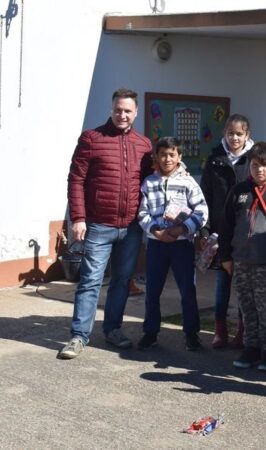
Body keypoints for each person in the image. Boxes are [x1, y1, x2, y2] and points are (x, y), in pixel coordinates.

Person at [59, 87, 153, 360]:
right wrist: (78, 218)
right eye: (117, 110)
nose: (121, 115)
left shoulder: (144, 144)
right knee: (90, 281)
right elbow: (75, 180)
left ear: (136, 113)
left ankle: (113, 329)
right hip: (99, 225)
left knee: (122, 282)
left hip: (132, 227)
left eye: (127, 111)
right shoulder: (91, 138)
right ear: (111, 109)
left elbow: (150, 183)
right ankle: (79, 336)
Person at [219, 142, 266, 371]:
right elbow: (226, 225)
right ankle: (250, 348)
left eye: (264, 165)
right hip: (242, 260)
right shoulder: (239, 191)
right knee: (246, 306)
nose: (259, 170)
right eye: (254, 165)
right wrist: (225, 255)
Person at [136, 137, 209, 351]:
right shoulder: (149, 182)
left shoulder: (188, 182)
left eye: (172, 154)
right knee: (152, 290)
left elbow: (202, 211)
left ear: (179, 157)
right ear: (156, 157)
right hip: (156, 245)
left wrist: (181, 229)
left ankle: (192, 334)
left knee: (188, 290)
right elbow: (142, 213)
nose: (167, 159)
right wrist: (155, 231)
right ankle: (150, 332)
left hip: (181, 245)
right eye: (163, 154)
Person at [200, 114, 254, 349]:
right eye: (230, 133)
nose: (234, 138)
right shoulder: (214, 160)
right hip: (221, 231)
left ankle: (243, 330)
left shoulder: (253, 160)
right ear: (224, 134)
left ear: (247, 135)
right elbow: (205, 196)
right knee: (223, 282)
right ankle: (220, 329)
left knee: (243, 284)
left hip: (244, 233)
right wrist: (204, 229)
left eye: (239, 134)